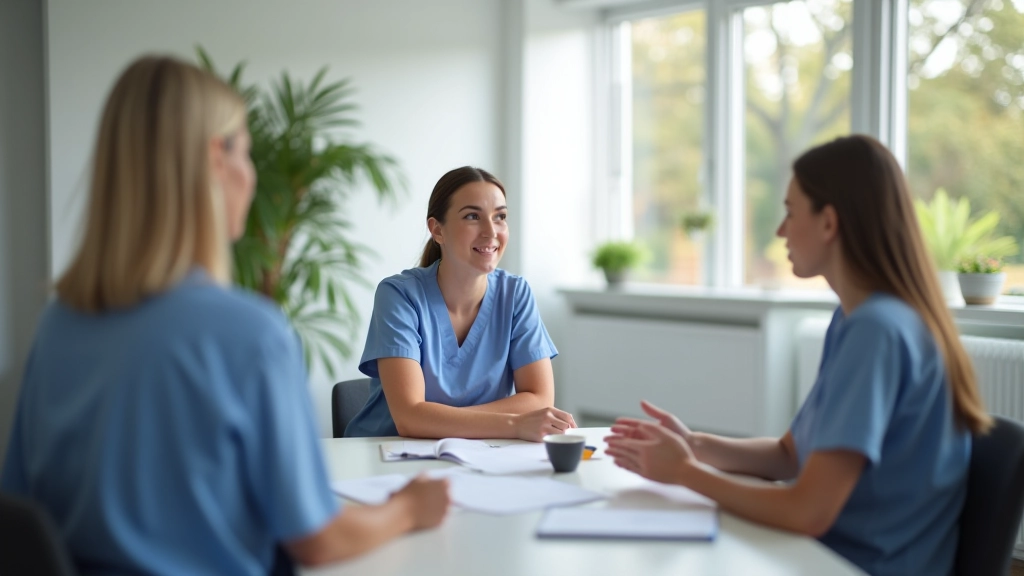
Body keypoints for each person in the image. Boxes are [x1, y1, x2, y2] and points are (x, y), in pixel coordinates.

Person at [0, 56, 449, 575]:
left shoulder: (61, 324)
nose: (253, 176)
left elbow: (22, 504)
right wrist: (408, 508)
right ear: (218, 160)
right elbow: (317, 540)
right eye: (248, 152)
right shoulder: (251, 334)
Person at [604, 135, 992, 576]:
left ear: (829, 222)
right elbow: (791, 455)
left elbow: (809, 511)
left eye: (790, 212)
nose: (780, 230)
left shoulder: (877, 330)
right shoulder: (853, 319)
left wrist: (686, 474)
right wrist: (693, 445)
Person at [345, 166, 575, 440]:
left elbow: (539, 399)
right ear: (437, 230)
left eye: (500, 217)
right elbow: (409, 418)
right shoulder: (399, 295)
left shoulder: (515, 294)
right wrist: (514, 423)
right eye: (472, 216)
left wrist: (439, 420)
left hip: (477, 456)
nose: (491, 232)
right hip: (387, 457)